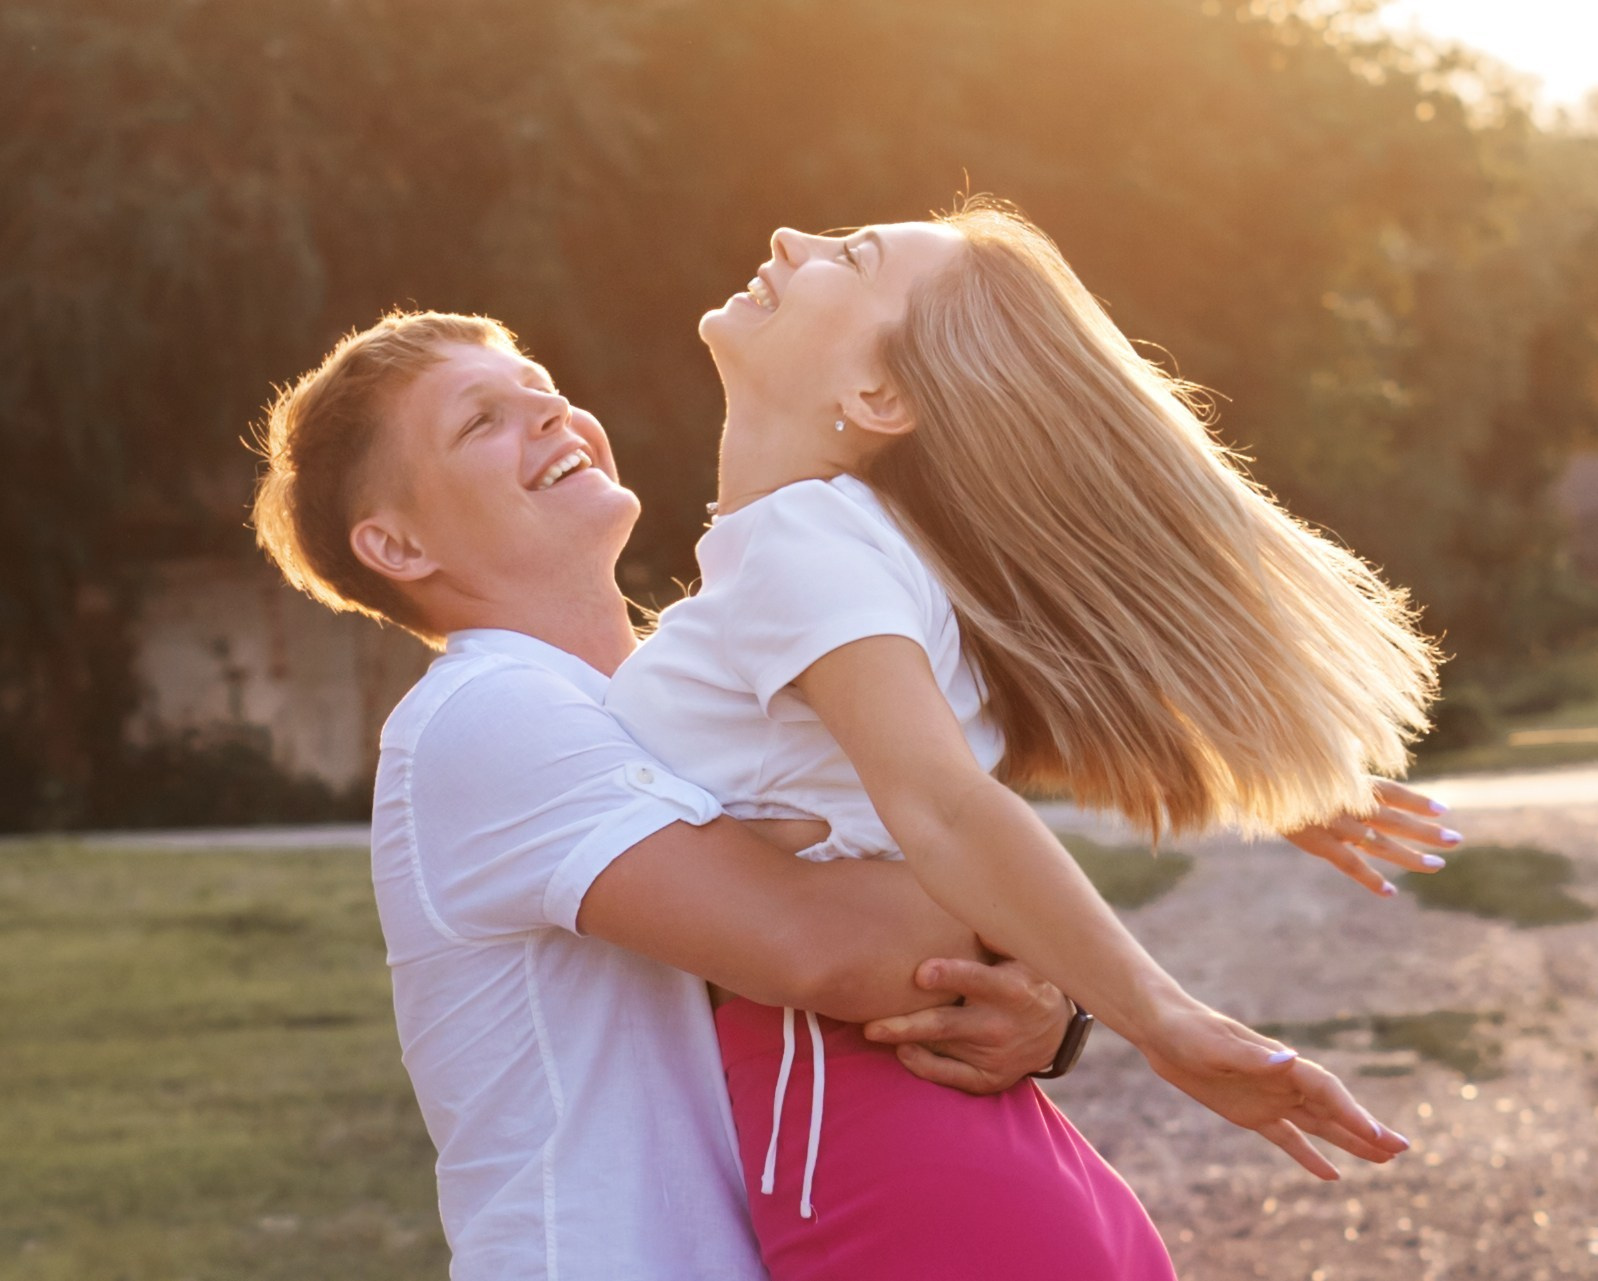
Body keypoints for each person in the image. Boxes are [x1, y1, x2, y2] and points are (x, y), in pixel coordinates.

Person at [600, 199, 1456, 1280]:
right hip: (964, 1171)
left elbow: (944, 801)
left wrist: (1162, 1019)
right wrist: (1237, 774)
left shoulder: (800, 541)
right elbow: (937, 761)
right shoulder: (856, 553)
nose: (788, 240)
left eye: (849, 256)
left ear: (879, 397)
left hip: (894, 1169)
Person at [248, 312, 1084, 1280]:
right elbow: (824, 946)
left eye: (539, 385)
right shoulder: (480, 714)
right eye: (481, 420)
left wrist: (1050, 1012)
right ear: (397, 545)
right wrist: (1026, 935)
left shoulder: (676, 701)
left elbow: (891, 912)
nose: (550, 412)